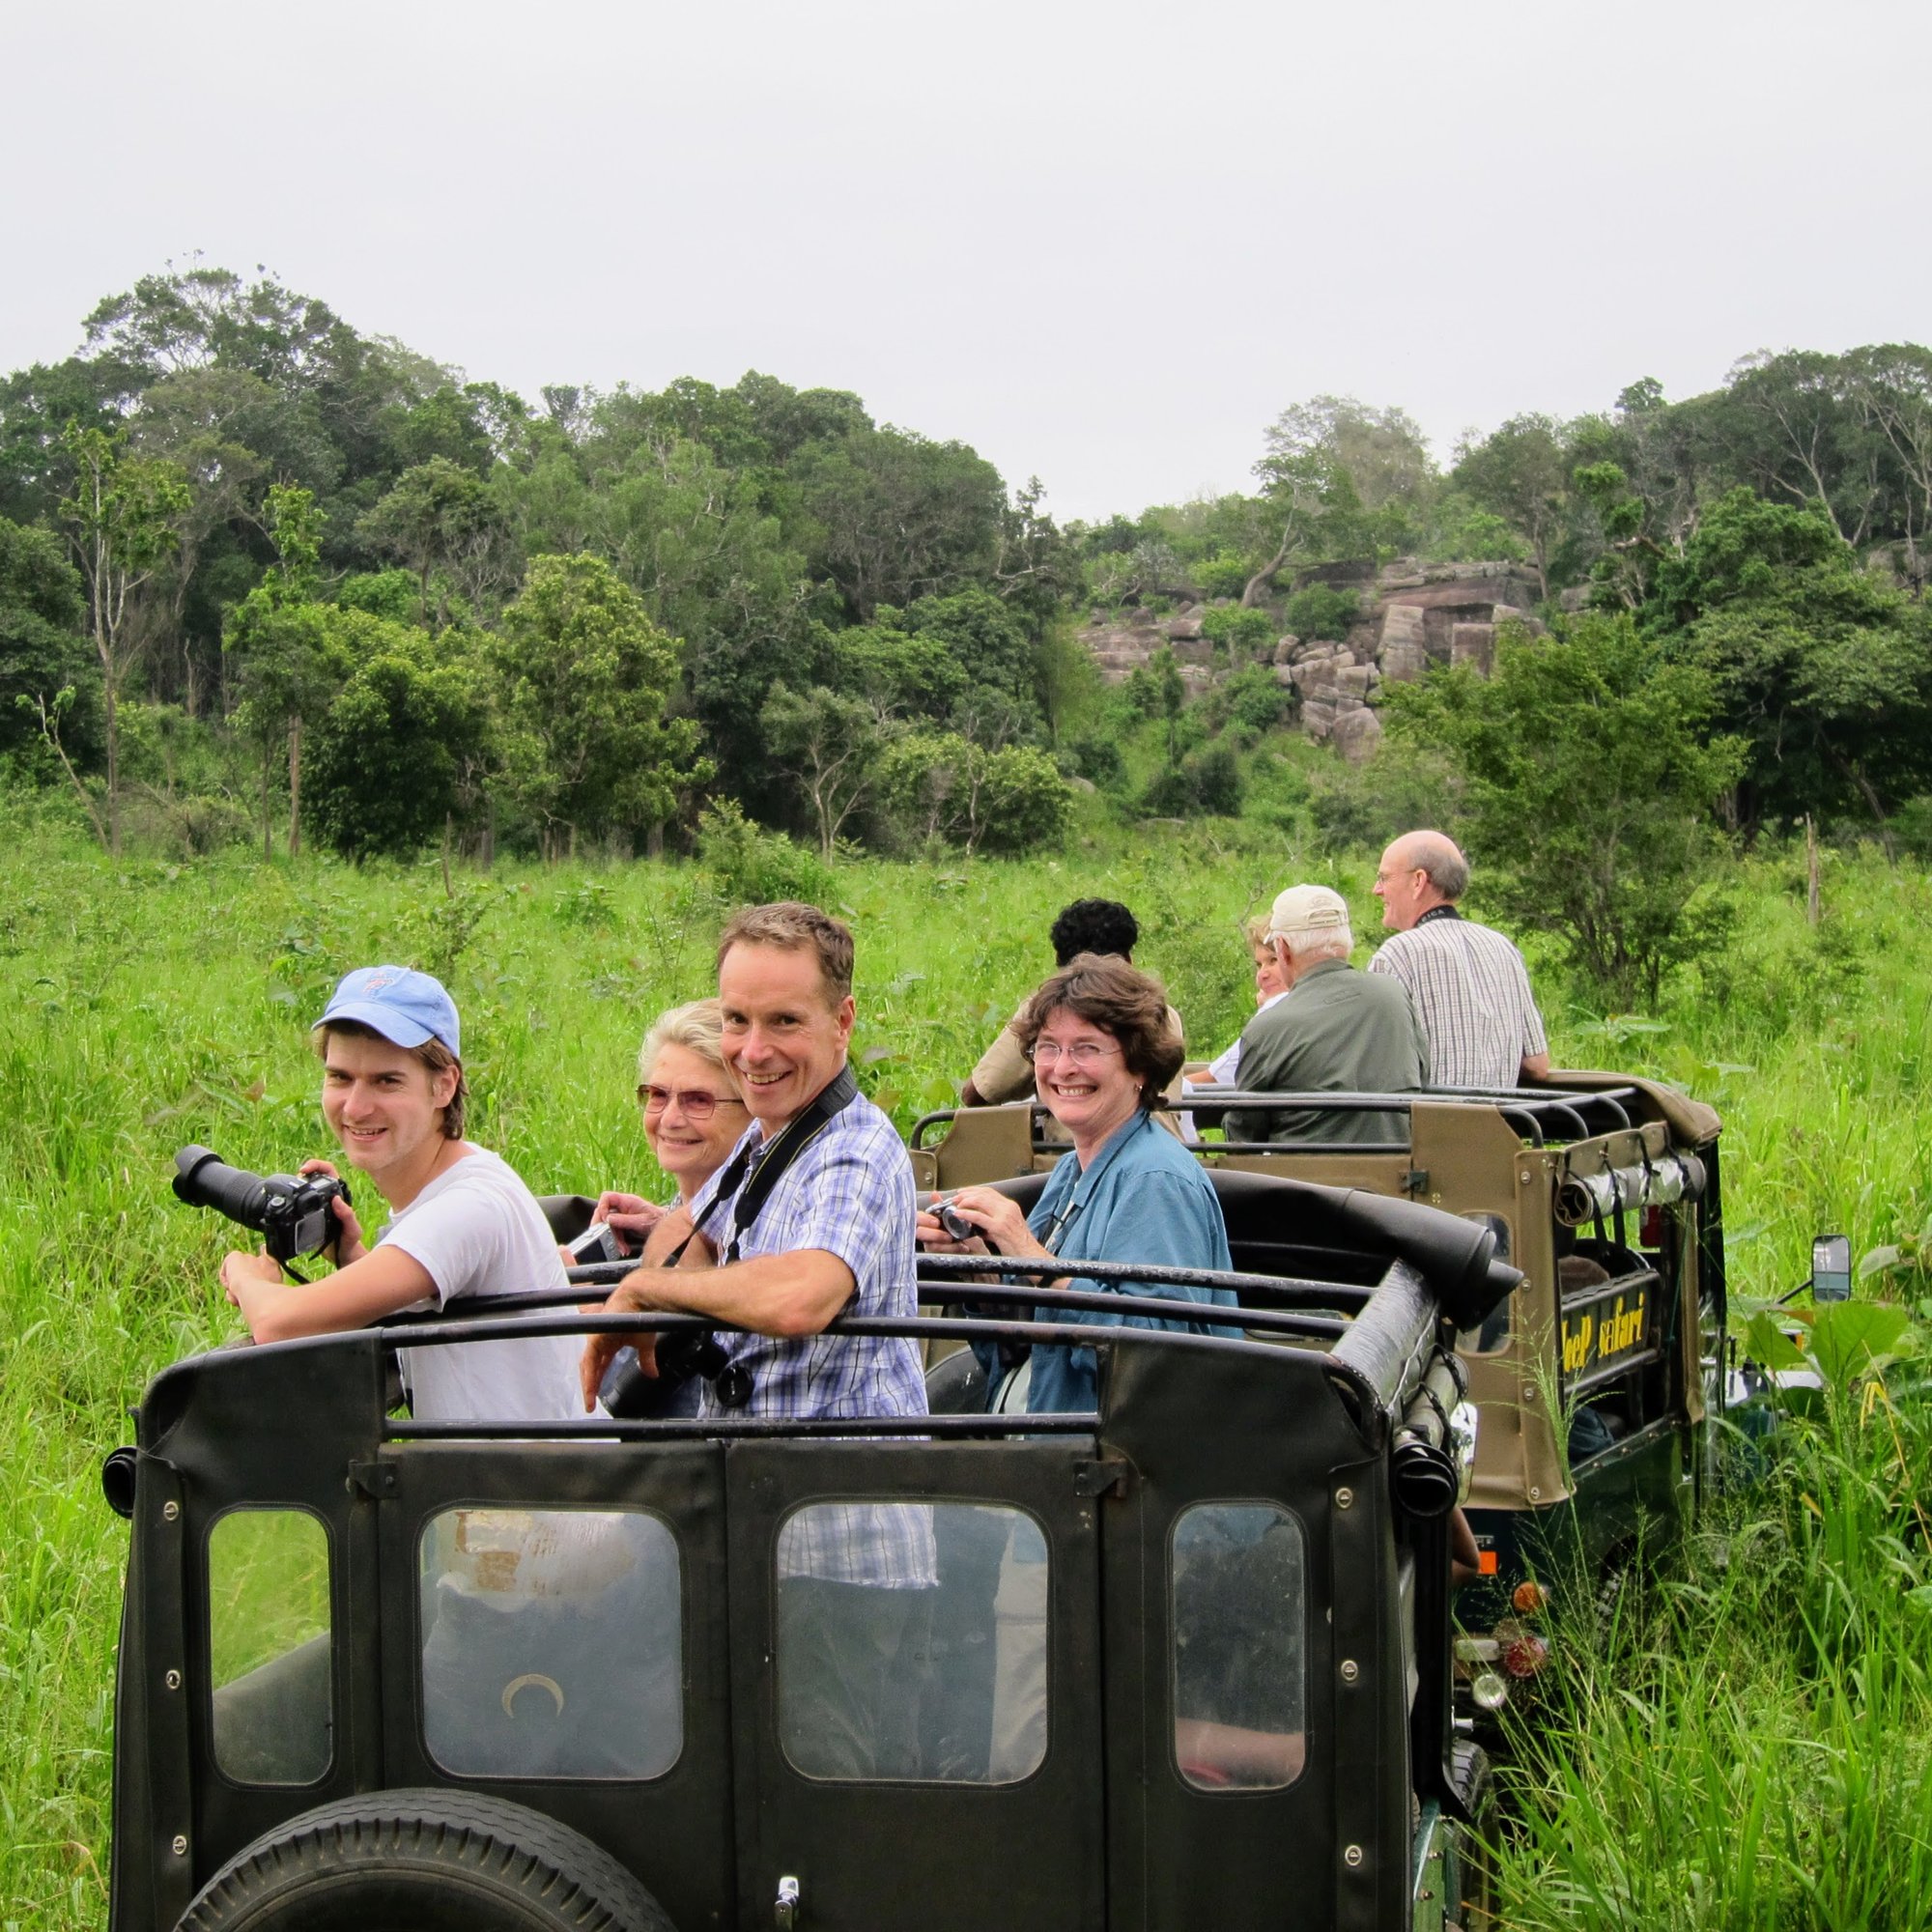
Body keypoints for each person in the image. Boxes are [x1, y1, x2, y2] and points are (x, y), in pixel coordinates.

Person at [580, 902, 934, 1779]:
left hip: (840, 1544)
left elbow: (802, 1294)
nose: (753, 1049)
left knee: (820, 1781)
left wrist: (649, 1288)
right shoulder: (771, 1139)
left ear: (843, 1021)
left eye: (785, 1022)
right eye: (737, 1020)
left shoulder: (852, 1149)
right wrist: (635, 1271)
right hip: (766, 1514)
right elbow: (699, 1236)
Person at [216, 966, 582, 1422]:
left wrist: (247, 1276)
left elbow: (276, 1324)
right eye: (340, 1078)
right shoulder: (467, 1173)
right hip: (522, 1473)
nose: (355, 1107)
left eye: (387, 1081)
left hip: (526, 1488)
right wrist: (351, 1255)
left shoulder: (467, 1207)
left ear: (443, 1086)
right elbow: (428, 1304)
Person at [920, 952, 1238, 1414]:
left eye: (1087, 1048)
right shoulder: (1074, 1169)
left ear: (1140, 1068)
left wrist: (1029, 1252)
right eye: (1048, 1047)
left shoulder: (1156, 1178)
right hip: (1054, 1445)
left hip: (1120, 1468)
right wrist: (981, 1271)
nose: (1062, 1068)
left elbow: (1155, 1357)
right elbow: (1032, 1343)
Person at [574, 998, 751, 1415]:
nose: (669, 1118)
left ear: (754, 1109)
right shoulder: (688, 1208)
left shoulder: (766, 1220)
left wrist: (586, 1315)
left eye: (697, 1100)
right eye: (657, 1095)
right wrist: (663, 1223)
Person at [1234, 886, 1430, 1145]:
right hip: (1397, 1175)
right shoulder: (1393, 995)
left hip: (1302, 1182)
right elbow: (1422, 1074)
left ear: (1283, 949)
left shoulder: (1267, 1027)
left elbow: (1243, 1133)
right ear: (1347, 941)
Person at [960, 896, 1186, 1113]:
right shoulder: (1164, 1012)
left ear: (1061, 966)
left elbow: (979, 1092)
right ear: (1128, 960)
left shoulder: (1048, 1010)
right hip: (1168, 1142)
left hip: (1078, 1145)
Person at [1369, 829, 1549, 1090]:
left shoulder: (1398, 954)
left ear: (1418, 881)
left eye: (1384, 878)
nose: (1377, 890)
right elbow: (1537, 1064)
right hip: (1499, 1127)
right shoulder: (1503, 947)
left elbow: (1375, 1064)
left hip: (1427, 1126)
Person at [1186, 916, 1289, 1089]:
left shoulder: (1278, 1009)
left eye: (1273, 960)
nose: (1262, 975)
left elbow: (1217, 1076)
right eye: (1259, 965)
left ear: (1292, 959)